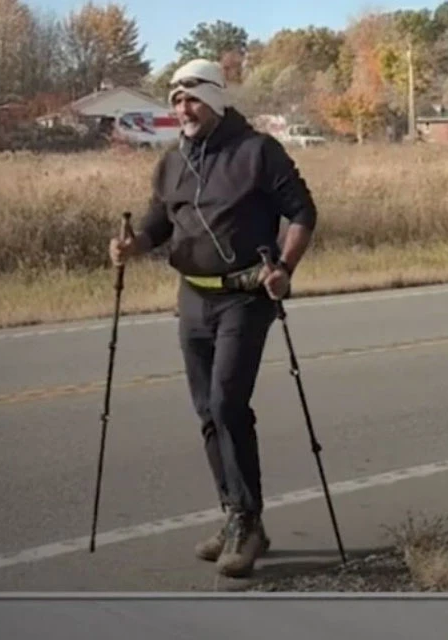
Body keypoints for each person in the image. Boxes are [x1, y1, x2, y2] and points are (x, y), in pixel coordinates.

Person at [109, 58, 318, 578]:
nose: (184, 108)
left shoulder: (256, 152)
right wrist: (133, 246)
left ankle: (247, 521)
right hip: (193, 300)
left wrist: (285, 269)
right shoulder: (173, 161)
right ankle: (236, 517)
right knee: (207, 411)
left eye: (193, 98)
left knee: (227, 402)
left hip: (246, 296)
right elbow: (160, 222)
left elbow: (302, 212)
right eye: (177, 100)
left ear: (217, 98)